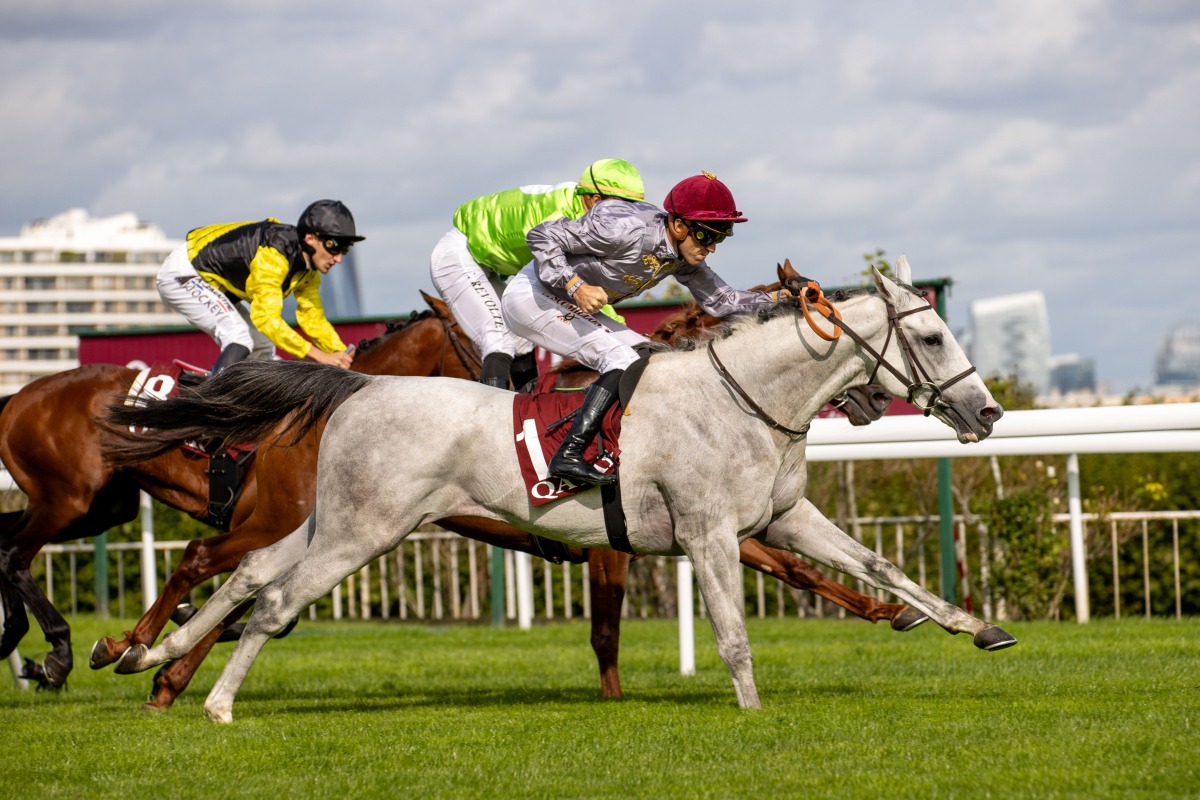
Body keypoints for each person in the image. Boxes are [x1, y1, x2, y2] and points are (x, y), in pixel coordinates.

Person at [501, 171, 793, 485]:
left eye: (721, 237)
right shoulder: (625, 227)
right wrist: (574, 286)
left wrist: (778, 298)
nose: (712, 248)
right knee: (621, 361)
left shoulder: (683, 255)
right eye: (707, 236)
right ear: (679, 225)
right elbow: (541, 235)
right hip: (533, 296)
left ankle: (615, 446)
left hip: (563, 300)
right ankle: (568, 454)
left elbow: (722, 301)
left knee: (650, 358)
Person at [429, 159, 644, 389]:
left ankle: (524, 414)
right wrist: (621, 333)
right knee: (499, 339)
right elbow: (578, 290)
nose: (627, 218)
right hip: (460, 253)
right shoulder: (562, 218)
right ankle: (492, 418)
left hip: (491, 263)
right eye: (622, 208)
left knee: (522, 342)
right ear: (594, 200)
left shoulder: (585, 209)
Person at [156, 199, 363, 374]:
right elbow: (266, 319)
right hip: (184, 274)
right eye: (334, 246)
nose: (339, 258)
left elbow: (312, 318)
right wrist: (320, 356)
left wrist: (342, 353)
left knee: (263, 346)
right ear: (310, 238)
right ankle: (211, 403)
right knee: (238, 335)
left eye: (345, 248)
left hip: (216, 286)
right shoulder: (273, 256)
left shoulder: (309, 271)